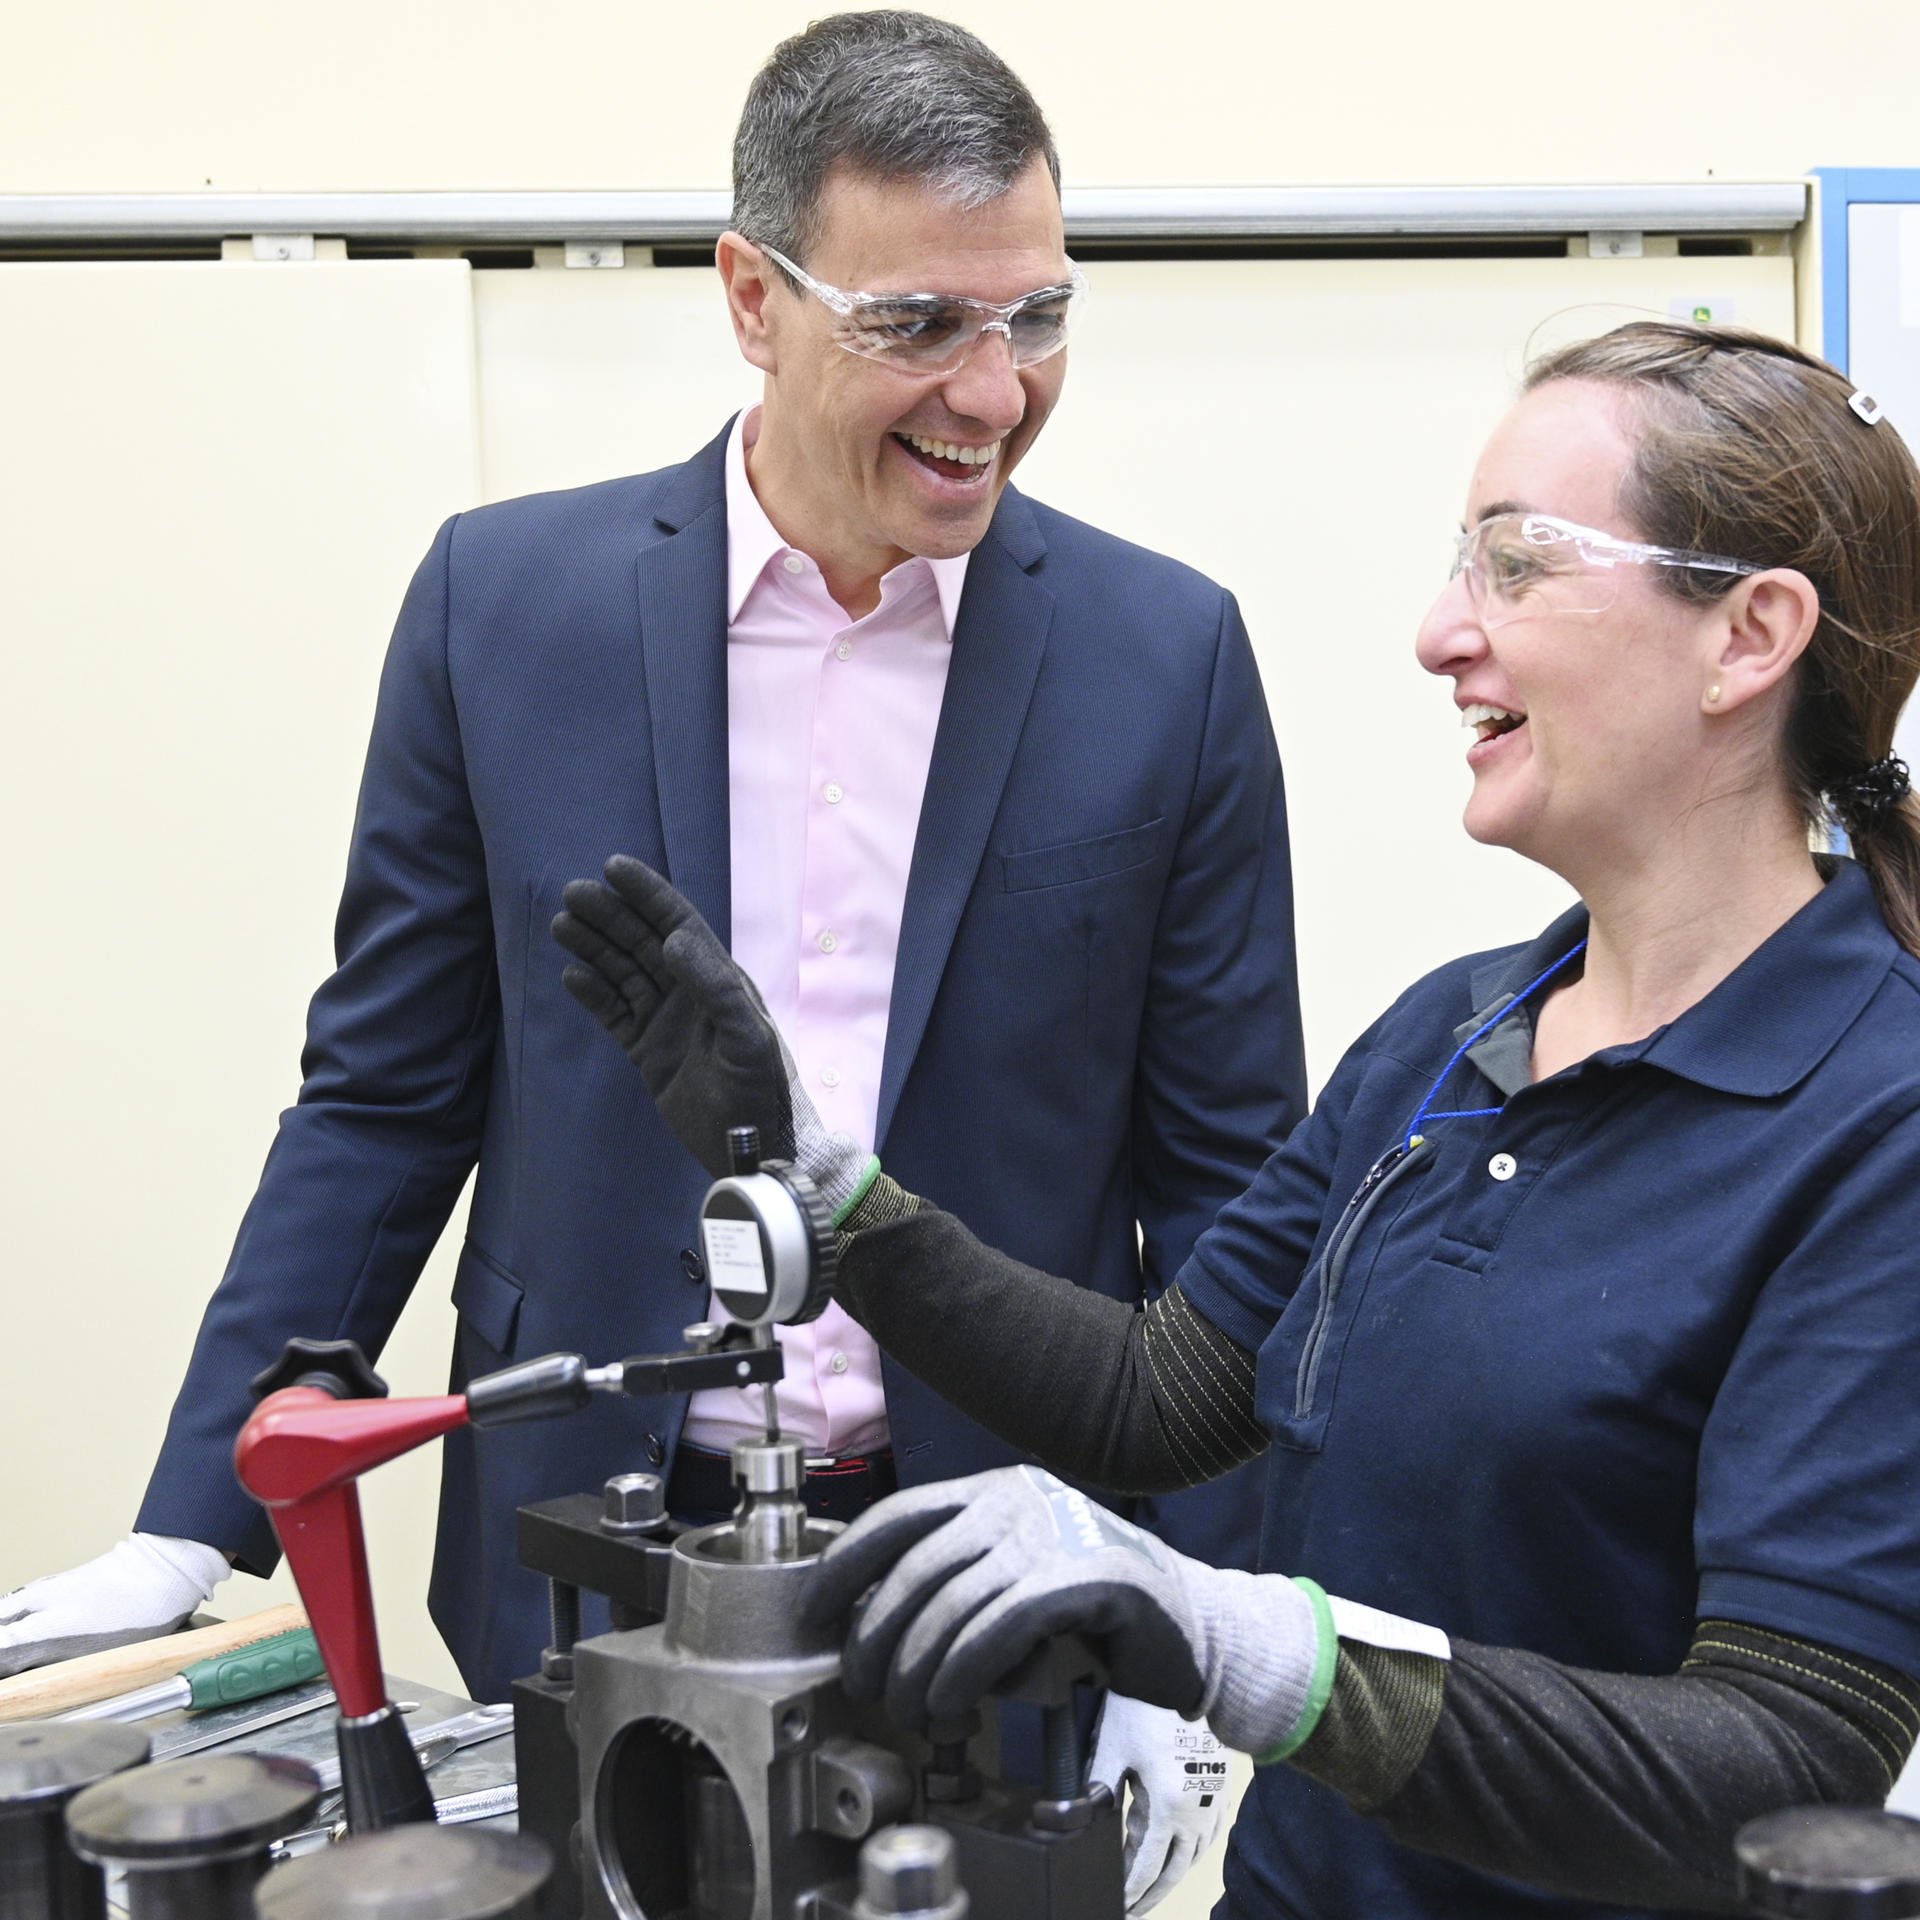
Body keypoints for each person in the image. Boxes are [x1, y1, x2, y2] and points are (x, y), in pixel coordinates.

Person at [0, 14, 1304, 1909]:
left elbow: (1223, 1181)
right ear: (751, 298)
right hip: (587, 1545)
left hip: (1004, 1557)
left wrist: (1199, 1607)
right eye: (919, 324)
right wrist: (197, 1514)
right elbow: (384, 1091)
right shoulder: (501, 608)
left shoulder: (1163, 654)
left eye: (1037, 319)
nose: (995, 392)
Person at [553, 320, 1920, 1919]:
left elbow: (1784, 1759)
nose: (1439, 632)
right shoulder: (1452, 1029)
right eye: (1455, 564)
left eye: (1518, 565)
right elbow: (1162, 1395)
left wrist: (1241, 1643)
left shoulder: (1878, 1118)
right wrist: (831, 1198)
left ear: (1749, 633)